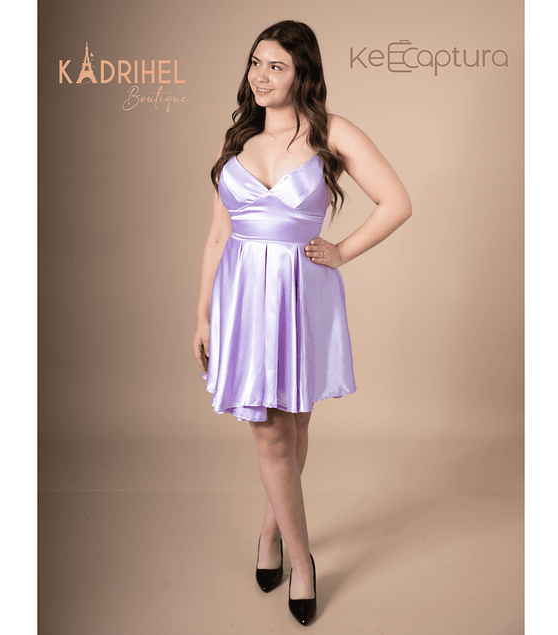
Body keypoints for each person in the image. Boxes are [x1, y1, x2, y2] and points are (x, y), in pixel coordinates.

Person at [193, 20, 412, 626]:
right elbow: (217, 236)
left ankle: (272, 535)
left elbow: (397, 201)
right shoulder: (237, 138)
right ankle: (301, 559)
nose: (260, 77)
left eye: (276, 66)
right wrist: (202, 313)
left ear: (302, 74)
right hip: (243, 297)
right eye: (255, 63)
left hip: (301, 294)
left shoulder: (330, 132)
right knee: (270, 433)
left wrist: (341, 251)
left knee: (292, 426)